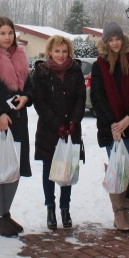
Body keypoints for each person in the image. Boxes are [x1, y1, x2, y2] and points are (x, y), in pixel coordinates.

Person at [0, 16, 34, 237]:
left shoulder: (21, 56)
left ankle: (6, 214)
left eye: (10, 33)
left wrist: (26, 98)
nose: (7, 37)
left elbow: (29, 87)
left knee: (14, 168)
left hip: (18, 120)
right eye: (2, 33)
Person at [32, 35, 86, 230]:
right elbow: (39, 101)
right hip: (49, 130)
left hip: (71, 129)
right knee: (49, 171)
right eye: (57, 51)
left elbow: (81, 98)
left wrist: (74, 121)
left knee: (67, 171)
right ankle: (50, 208)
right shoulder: (41, 72)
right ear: (50, 52)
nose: (61, 55)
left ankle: (65, 208)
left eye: (64, 51)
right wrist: (56, 124)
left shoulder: (76, 70)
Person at [91, 21, 129, 231]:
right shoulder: (99, 65)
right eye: (110, 40)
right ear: (105, 42)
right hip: (111, 128)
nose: (115, 43)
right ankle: (118, 211)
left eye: (118, 38)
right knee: (117, 169)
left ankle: (127, 209)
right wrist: (113, 124)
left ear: (123, 39)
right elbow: (97, 97)